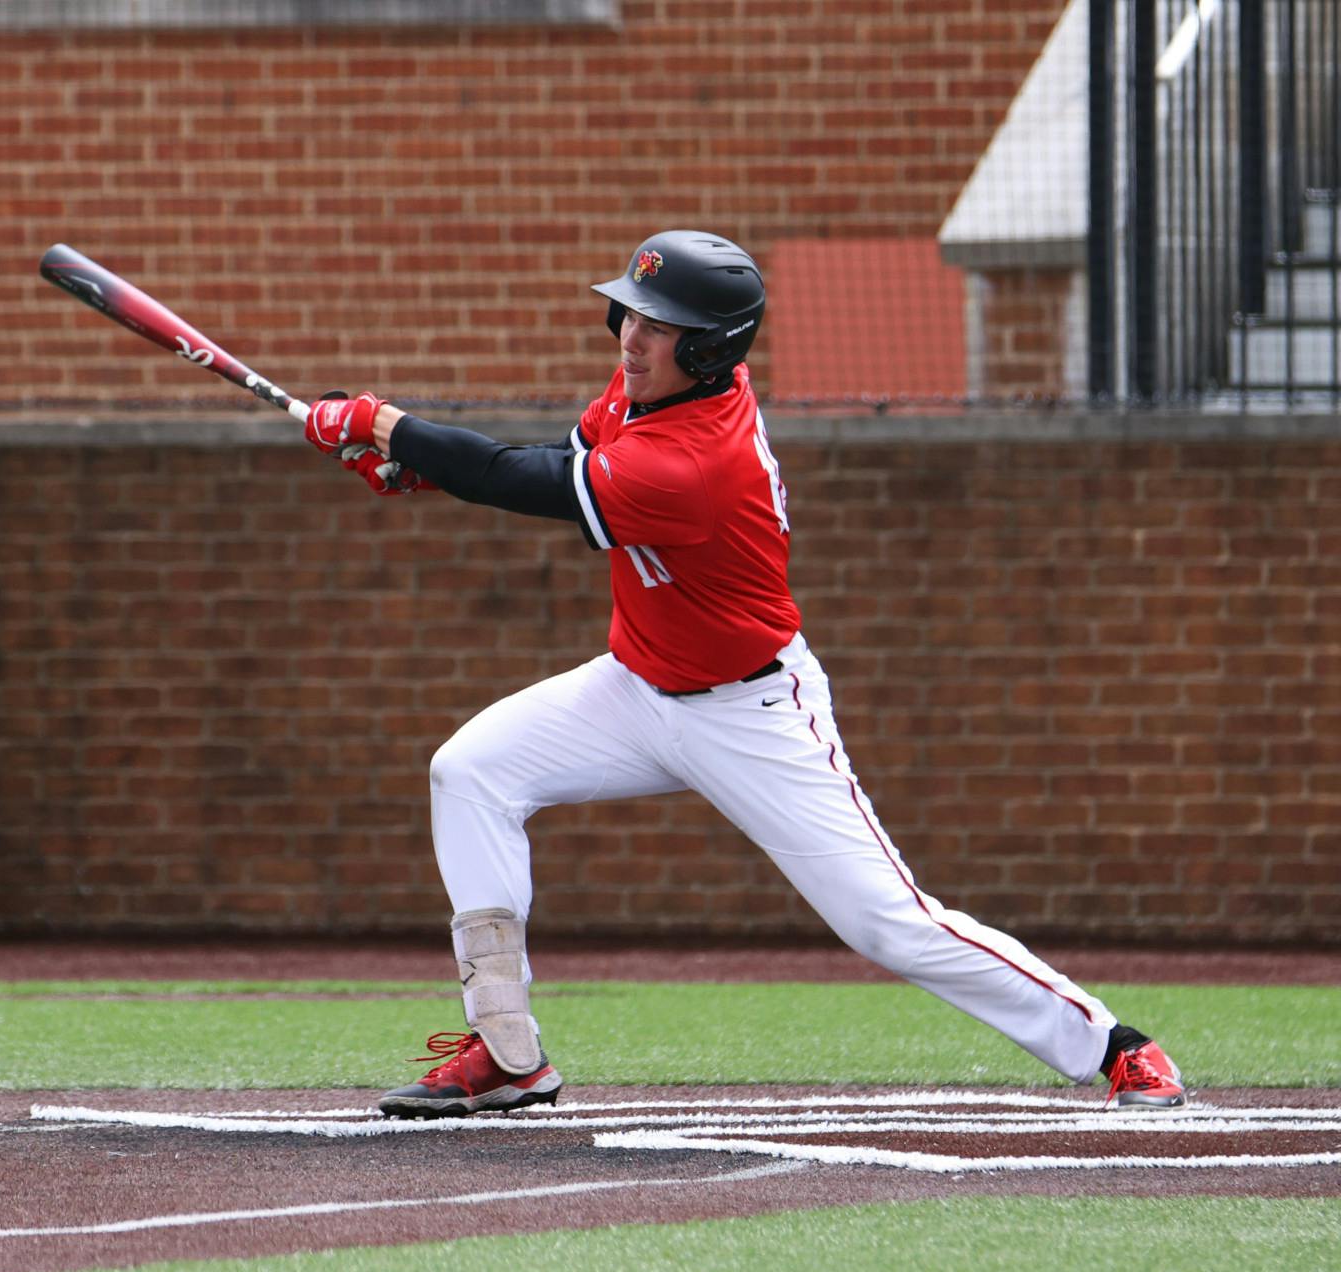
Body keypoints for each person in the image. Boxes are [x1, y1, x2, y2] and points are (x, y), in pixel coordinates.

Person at [303, 229, 1188, 1120]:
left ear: (710, 347)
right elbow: (553, 463)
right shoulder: (647, 391)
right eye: (633, 314)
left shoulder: (697, 460)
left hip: (752, 712)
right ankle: (505, 1048)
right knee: (471, 770)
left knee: (888, 922)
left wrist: (386, 425)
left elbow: (520, 479)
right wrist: (420, 470)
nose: (632, 338)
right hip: (638, 687)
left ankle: (1114, 1046)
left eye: (661, 326)